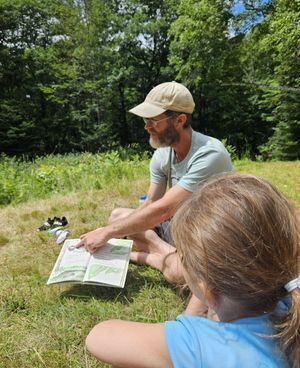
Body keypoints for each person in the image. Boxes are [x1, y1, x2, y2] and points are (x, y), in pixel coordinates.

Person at [85, 173, 300, 367]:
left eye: (183, 255)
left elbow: (98, 336)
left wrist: (190, 321)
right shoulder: (289, 304)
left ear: (206, 286)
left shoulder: (200, 343)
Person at [76, 81, 233, 283]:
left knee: (179, 271)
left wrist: (107, 233)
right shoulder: (163, 153)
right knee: (117, 216)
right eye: (145, 119)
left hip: (208, 233)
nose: (146, 126)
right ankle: (165, 255)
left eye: (153, 120)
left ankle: (145, 256)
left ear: (180, 120)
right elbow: (151, 203)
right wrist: (114, 228)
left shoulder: (210, 154)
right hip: (177, 225)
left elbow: (164, 210)